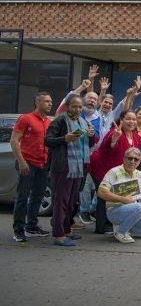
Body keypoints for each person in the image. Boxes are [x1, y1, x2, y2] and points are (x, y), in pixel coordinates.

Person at [45, 94, 95, 246]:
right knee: (61, 201)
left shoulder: (82, 121)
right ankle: (59, 235)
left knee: (72, 201)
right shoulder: (61, 120)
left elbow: (87, 143)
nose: (78, 109)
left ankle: (67, 230)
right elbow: (47, 140)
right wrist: (64, 139)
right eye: (75, 106)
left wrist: (91, 136)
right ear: (67, 107)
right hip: (63, 166)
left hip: (78, 166)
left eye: (80, 107)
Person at [89, 110, 141, 234]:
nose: (132, 122)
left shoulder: (135, 136)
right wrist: (114, 140)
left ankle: (110, 222)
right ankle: (101, 227)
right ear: (121, 120)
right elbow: (109, 148)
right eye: (128, 119)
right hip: (102, 167)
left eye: (134, 119)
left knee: (116, 195)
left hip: (117, 171)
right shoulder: (115, 132)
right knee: (104, 196)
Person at [11, 92, 53, 242]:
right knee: (22, 197)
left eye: (51, 101)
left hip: (43, 164)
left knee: (38, 197)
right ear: (37, 103)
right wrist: (22, 162)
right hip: (27, 162)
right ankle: (18, 230)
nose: (50, 104)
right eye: (47, 101)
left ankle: (31, 226)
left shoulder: (48, 122)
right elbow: (14, 141)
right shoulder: (25, 118)